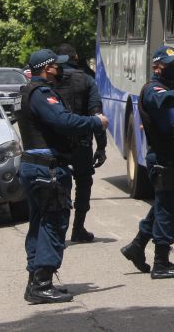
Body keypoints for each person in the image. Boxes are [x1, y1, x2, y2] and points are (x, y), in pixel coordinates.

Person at [17, 49, 109, 304]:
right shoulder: (41, 93)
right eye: (56, 66)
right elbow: (63, 121)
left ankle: (35, 280)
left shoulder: (27, 91)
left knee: (39, 223)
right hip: (47, 168)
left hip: (36, 166)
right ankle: (42, 283)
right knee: (53, 223)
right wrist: (95, 122)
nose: (61, 69)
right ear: (47, 69)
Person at [120, 45, 174, 279]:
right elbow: (162, 101)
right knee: (168, 210)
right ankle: (161, 263)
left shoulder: (171, 89)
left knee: (163, 205)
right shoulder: (153, 90)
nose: (173, 69)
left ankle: (137, 246)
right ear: (157, 67)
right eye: (169, 66)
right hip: (163, 159)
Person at [55, 43, 107, 242]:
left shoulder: (50, 81)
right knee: (83, 183)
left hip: (56, 143)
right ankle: (78, 228)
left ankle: (59, 230)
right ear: (75, 58)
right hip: (82, 143)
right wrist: (101, 146)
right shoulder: (86, 80)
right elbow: (97, 114)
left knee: (59, 184)